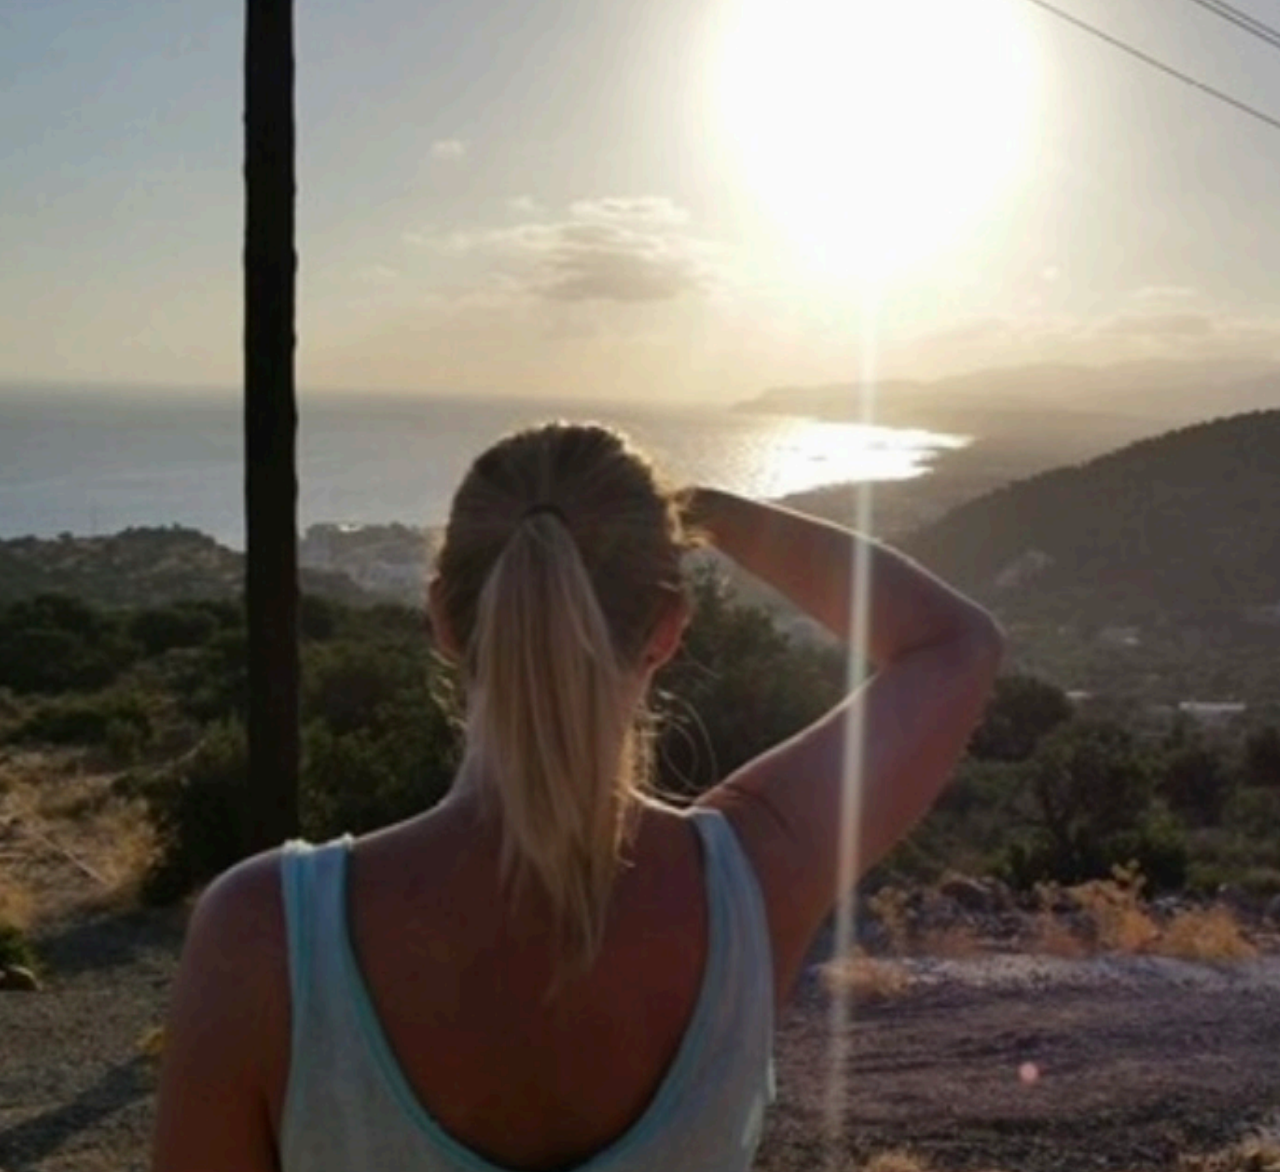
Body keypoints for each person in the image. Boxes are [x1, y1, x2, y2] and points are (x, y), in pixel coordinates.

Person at [151, 422, 1003, 1172]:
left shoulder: (264, 935)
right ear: (667, 629)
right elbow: (954, 643)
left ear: (444, 621)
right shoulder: (755, 878)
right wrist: (712, 513)